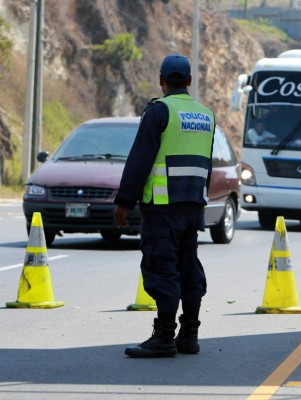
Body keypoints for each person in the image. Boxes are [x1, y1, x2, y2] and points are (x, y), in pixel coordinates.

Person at [114, 54, 215, 357]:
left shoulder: (159, 112)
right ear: (189, 81)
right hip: (193, 205)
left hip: (162, 207)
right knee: (188, 268)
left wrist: (123, 202)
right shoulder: (206, 115)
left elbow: (140, 158)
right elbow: (206, 162)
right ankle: (190, 333)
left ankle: (164, 337)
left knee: (162, 268)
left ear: (161, 80)